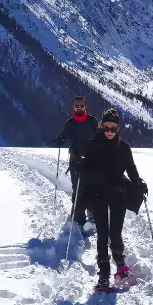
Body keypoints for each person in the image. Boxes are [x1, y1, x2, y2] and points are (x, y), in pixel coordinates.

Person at [79, 107, 149, 289]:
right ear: (101, 126)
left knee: (115, 233)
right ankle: (103, 274)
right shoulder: (93, 145)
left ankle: (121, 265)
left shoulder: (124, 148)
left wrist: (139, 183)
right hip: (97, 194)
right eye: (106, 128)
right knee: (102, 234)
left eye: (113, 129)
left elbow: (132, 171)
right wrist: (81, 166)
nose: (109, 132)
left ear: (118, 129)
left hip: (118, 194)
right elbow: (87, 169)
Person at [49, 96, 99, 226]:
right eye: (77, 105)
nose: (79, 107)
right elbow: (63, 135)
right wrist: (59, 140)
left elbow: (99, 136)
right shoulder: (70, 123)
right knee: (78, 188)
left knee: (92, 186)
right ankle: (78, 216)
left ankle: (92, 212)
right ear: (73, 107)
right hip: (75, 160)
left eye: (81, 105)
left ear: (85, 106)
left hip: (92, 159)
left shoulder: (92, 121)